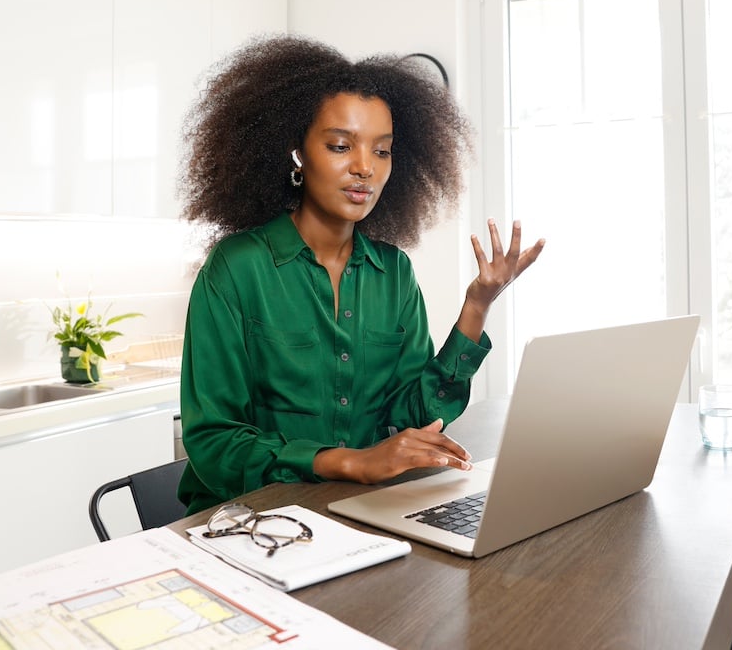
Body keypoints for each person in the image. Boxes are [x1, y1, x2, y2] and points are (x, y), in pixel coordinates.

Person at [175, 35, 544, 514]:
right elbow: (215, 442)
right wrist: (348, 462)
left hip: (356, 512)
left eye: (383, 151)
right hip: (249, 520)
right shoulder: (237, 268)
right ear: (296, 154)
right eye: (339, 145)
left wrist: (477, 306)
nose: (365, 168)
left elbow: (417, 417)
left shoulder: (392, 272)